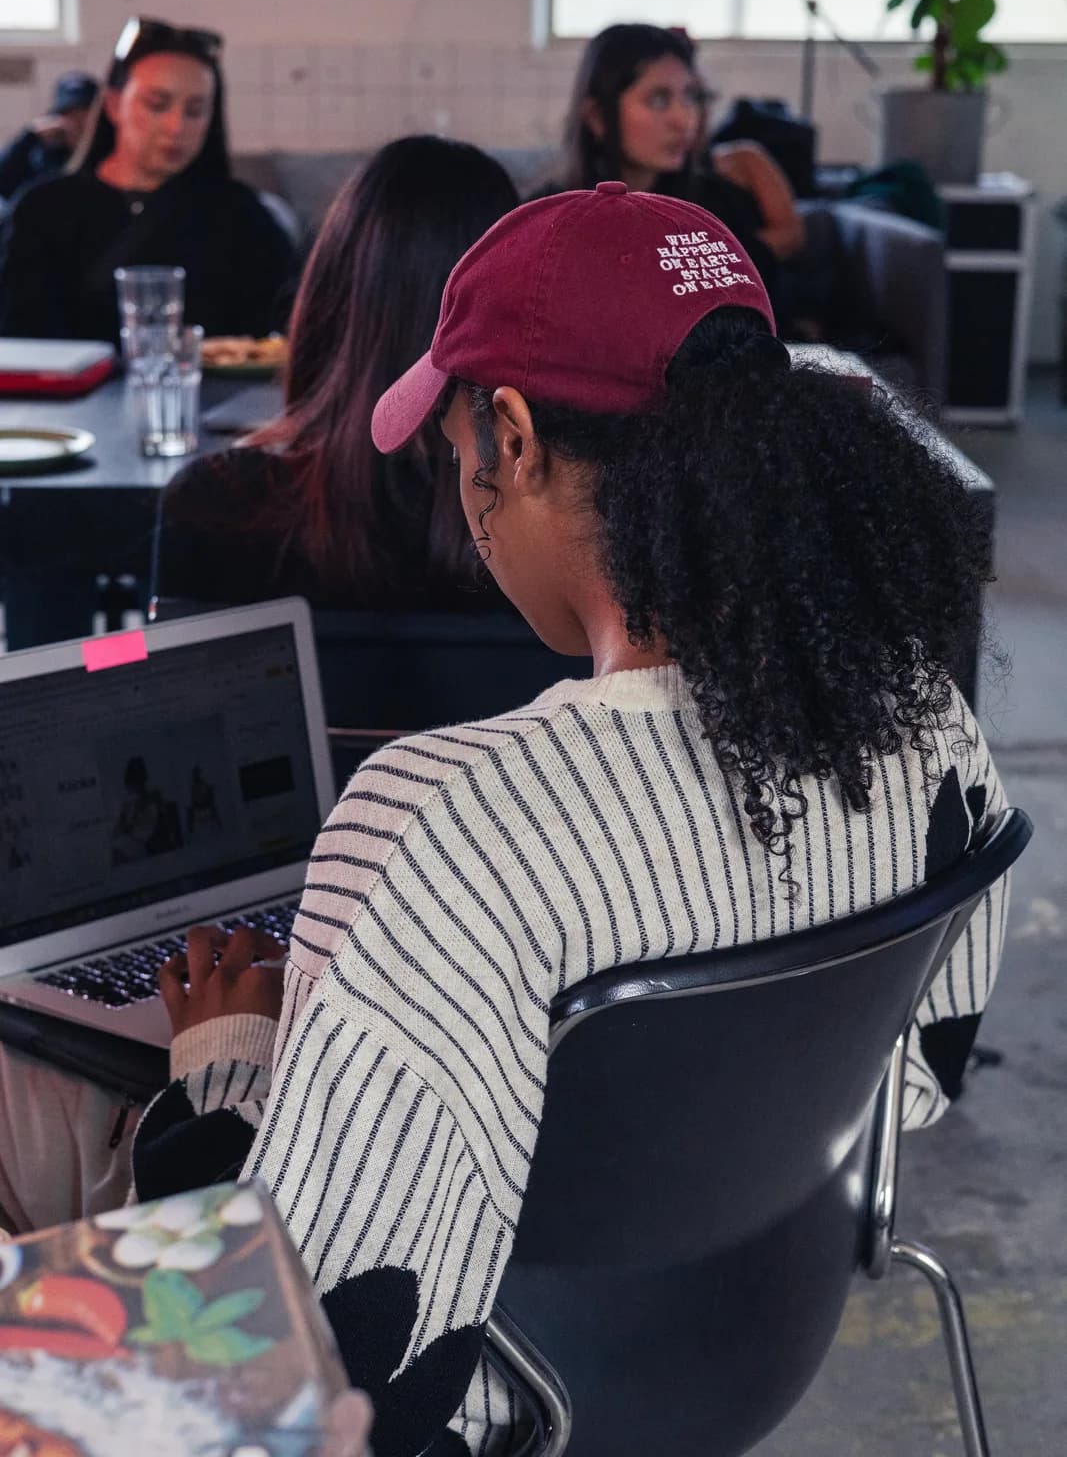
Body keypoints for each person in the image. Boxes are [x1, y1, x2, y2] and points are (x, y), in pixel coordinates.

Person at [0, 189, 1007, 1457]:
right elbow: (916, 1080)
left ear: (514, 437)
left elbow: (307, 1354)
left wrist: (225, 1059)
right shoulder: (930, 732)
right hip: (751, 1337)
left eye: (458, 442)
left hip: (489, 1410)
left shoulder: (443, 815)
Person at [155, 136, 518, 612]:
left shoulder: (217, 502)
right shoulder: (564, 539)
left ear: (330, 297)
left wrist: (99, 653)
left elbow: (141, 660)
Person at [0, 17, 297, 344]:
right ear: (114, 105)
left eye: (195, 110)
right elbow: (19, 330)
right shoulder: (43, 209)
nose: (176, 126)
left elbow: (285, 324)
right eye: (157, 105)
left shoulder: (242, 215)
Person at [533, 22, 785, 290]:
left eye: (689, 97)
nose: (684, 119)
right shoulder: (547, 217)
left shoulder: (716, 207)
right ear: (597, 117)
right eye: (658, 100)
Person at [0, 73, 98, 204]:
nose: (76, 124)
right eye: (69, 115)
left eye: (84, 114)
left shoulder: (110, 155)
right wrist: (29, 137)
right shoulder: (44, 159)